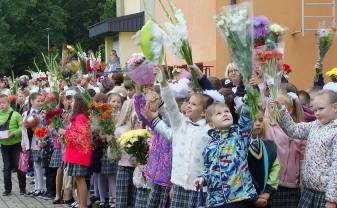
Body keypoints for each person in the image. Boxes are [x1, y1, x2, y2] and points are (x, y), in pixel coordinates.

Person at [150, 65, 213, 207]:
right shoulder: (180, 124)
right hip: (179, 185)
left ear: (204, 112)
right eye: (189, 102)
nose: (189, 106)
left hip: (200, 188)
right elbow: (171, 105)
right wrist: (163, 82)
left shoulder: (210, 130)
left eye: (194, 104)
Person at [271, 90, 337, 208]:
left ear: (335, 107)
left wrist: (332, 199)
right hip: (309, 191)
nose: (316, 113)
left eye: (321, 109)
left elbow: (336, 168)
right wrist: (281, 110)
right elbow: (294, 130)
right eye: (315, 110)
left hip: (326, 195)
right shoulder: (315, 125)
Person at [195, 101, 257, 208]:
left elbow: (246, 122)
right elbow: (207, 169)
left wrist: (247, 104)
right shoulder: (209, 147)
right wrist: (202, 179)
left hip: (240, 197)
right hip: (217, 201)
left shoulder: (239, 136)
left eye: (227, 111)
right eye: (219, 113)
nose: (224, 114)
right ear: (211, 124)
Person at [59, 94, 92, 208]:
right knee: (78, 179)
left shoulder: (81, 117)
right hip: (76, 153)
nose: (70, 103)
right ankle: (81, 204)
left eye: (72, 101)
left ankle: (83, 205)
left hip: (79, 153)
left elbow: (81, 137)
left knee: (80, 179)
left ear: (78, 103)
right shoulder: (78, 117)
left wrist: (64, 132)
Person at [248, 110, 280, 208]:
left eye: (260, 120)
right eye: (253, 120)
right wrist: (253, 198)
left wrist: (267, 192)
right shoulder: (238, 148)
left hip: (264, 197)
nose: (257, 123)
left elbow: (275, 168)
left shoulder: (269, 145)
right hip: (245, 199)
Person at [0, 94, 25, 196]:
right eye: (0, 103)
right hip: (4, 145)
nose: (1, 105)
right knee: (6, 167)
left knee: (18, 167)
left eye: (3, 103)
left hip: (16, 145)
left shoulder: (16, 114)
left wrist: (14, 133)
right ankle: (7, 189)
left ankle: (22, 188)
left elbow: (23, 128)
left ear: (8, 103)